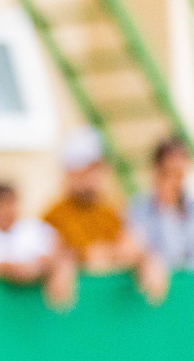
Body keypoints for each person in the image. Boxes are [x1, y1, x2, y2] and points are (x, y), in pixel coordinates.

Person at [42, 127, 166, 303]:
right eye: (87, 169)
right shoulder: (53, 216)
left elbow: (130, 248)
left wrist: (146, 259)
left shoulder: (110, 212)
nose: (93, 176)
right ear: (70, 172)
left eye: (97, 168)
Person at [0, 183, 75, 308]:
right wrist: (10, 268)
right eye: (2, 204)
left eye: (11, 203)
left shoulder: (31, 229)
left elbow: (62, 250)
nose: (7, 209)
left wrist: (48, 265)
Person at [127, 136, 194, 271]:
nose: (175, 182)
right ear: (156, 171)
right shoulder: (138, 209)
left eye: (179, 174)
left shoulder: (191, 209)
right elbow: (132, 249)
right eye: (169, 173)